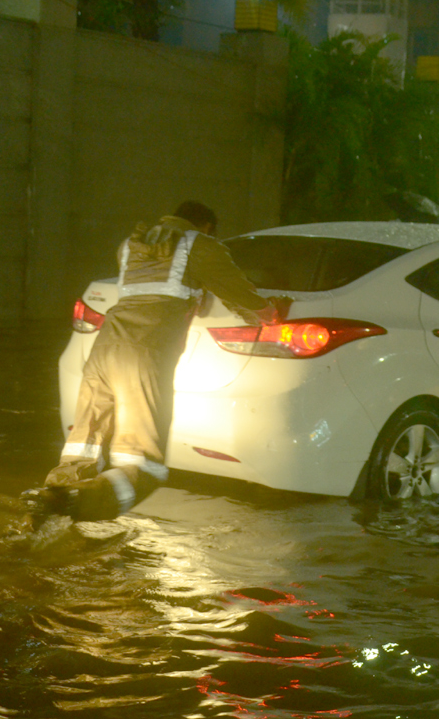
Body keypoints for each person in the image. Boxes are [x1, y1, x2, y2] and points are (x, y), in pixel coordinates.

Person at [23, 202, 277, 522]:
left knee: (80, 451)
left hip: (103, 350)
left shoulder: (131, 246)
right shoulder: (201, 245)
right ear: (207, 227)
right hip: (144, 353)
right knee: (144, 467)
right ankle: (74, 504)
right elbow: (237, 290)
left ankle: (45, 509)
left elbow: (160, 283)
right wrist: (267, 311)